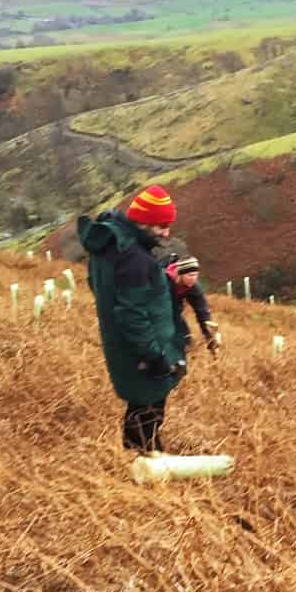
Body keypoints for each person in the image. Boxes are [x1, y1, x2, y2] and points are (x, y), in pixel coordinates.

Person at [77, 184, 186, 453]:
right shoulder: (134, 259)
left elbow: (98, 285)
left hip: (125, 346)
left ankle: (140, 452)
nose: (166, 233)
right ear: (143, 222)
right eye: (161, 226)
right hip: (142, 353)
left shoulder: (110, 246)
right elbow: (131, 314)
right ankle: (144, 459)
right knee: (147, 408)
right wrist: (154, 356)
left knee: (141, 408)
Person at [163, 254, 221, 356]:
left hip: (175, 312)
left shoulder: (193, 287)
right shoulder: (164, 281)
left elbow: (202, 312)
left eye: (196, 275)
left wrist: (210, 338)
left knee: (186, 340)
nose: (193, 279)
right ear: (180, 274)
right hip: (157, 313)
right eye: (190, 275)